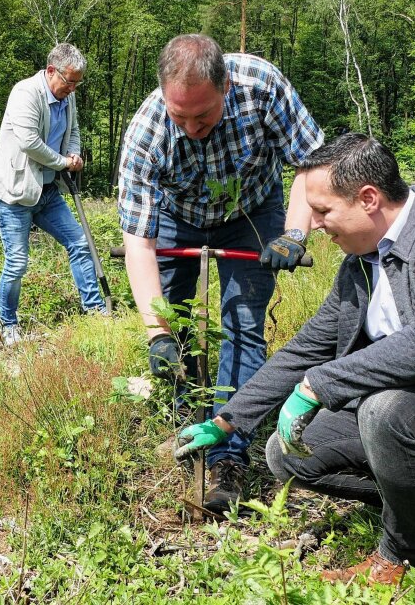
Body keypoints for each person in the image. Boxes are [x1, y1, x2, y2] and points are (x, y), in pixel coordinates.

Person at [173, 133, 415, 584]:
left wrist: (319, 385)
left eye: (323, 211)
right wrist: (228, 420)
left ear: (368, 198)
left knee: (386, 413)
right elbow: (308, 348)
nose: (315, 225)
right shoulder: (361, 262)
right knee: (288, 454)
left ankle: (406, 555)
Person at [117, 34, 325, 513]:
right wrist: (156, 333)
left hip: (252, 210)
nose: (190, 127)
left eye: (203, 116)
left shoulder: (262, 86)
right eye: (179, 116)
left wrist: (294, 234)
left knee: (244, 327)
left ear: (225, 86)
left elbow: (311, 166)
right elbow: (138, 243)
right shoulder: (146, 133)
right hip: (176, 216)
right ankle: (185, 425)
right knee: (174, 329)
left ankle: (229, 454)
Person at [0, 43, 107, 346]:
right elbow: (29, 142)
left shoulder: (69, 96)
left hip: (47, 190)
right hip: (15, 193)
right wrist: (63, 161)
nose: (73, 88)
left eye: (78, 82)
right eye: (69, 81)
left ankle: (94, 309)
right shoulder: (25, 93)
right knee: (17, 262)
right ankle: (9, 325)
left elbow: (73, 130)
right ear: (52, 71)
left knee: (80, 243)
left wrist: (75, 154)